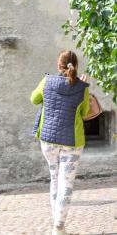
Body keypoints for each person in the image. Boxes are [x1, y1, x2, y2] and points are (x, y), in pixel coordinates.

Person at [30, 50, 90, 235]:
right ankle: (59, 226)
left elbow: (34, 99)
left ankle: (56, 225)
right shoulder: (82, 87)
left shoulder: (47, 81)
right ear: (76, 66)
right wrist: (84, 84)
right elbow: (85, 113)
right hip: (72, 141)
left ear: (59, 66)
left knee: (55, 179)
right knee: (66, 184)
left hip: (48, 140)